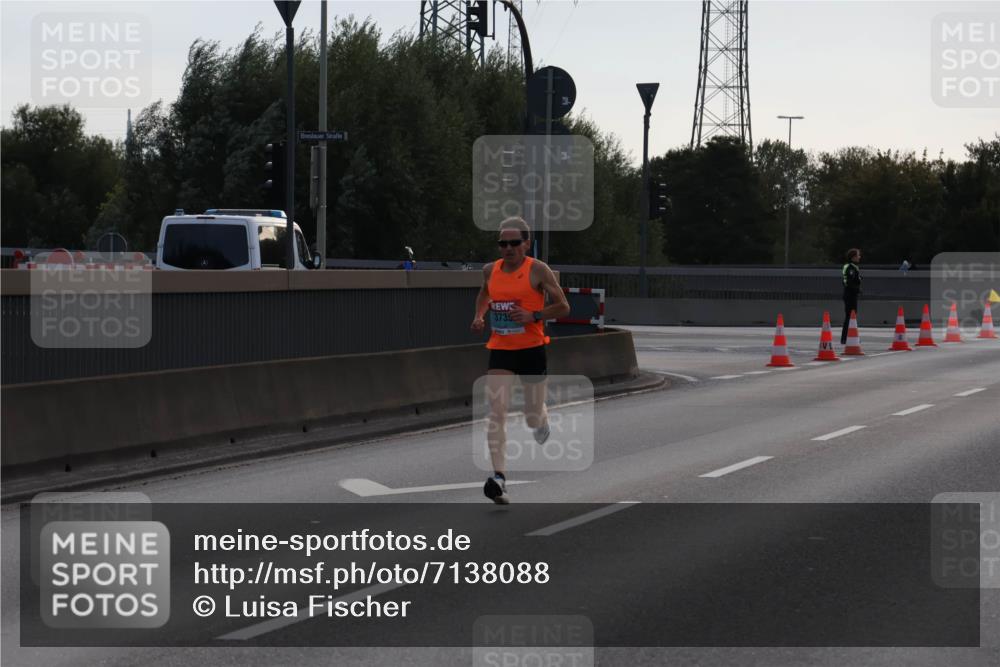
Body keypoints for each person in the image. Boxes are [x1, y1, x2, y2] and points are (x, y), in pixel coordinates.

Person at [470, 217, 570, 504]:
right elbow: (483, 296)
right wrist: (479, 316)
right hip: (501, 348)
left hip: (531, 348)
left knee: (532, 414)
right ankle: (498, 478)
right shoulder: (490, 270)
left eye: (515, 243)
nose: (508, 248)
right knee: (496, 412)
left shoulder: (538, 270)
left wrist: (534, 316)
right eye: (503, 243)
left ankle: (541, 419)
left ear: (526, 243)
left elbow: (564, 306)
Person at [841, 248, 862, 345]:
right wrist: (857, 289)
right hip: (850, 295)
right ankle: (846, 338)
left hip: (851, 294)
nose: (859, 257)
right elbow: (849, 282)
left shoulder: (853, 267)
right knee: (850, 316)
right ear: (853, 257)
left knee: (852, 316)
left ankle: (850, 337)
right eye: (858, 255)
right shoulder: (850, 268)